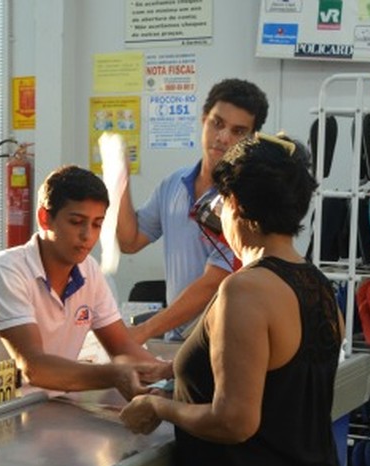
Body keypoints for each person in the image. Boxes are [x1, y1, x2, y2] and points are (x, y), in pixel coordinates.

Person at [119, 133, 344, 466]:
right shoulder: (317, 285)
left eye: (221, 200)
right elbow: (278, 374)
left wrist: (160, 405)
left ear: (238, 206)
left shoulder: (243, 290)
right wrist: (174, 367)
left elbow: (235, 420)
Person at [0, 164, 171, 400]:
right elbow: (34, 368)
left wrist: (171, 371)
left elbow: (122, 348)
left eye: (96, 224)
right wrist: (114, 375)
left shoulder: (89, 270)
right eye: (76, 221)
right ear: (45, 218)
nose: (87, 235)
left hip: (54, 404)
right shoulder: (5, 271)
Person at [113, 78, 269, 343]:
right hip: (177, 340)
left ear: (251, 139)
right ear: (204, 119)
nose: (223, 138)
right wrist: (120, 179)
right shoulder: (174, 184)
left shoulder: (245, 200)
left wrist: (145, 331)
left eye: (238, 131)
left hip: (224, 342)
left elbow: (211, 284)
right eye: (217, 124)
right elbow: (129, 241)